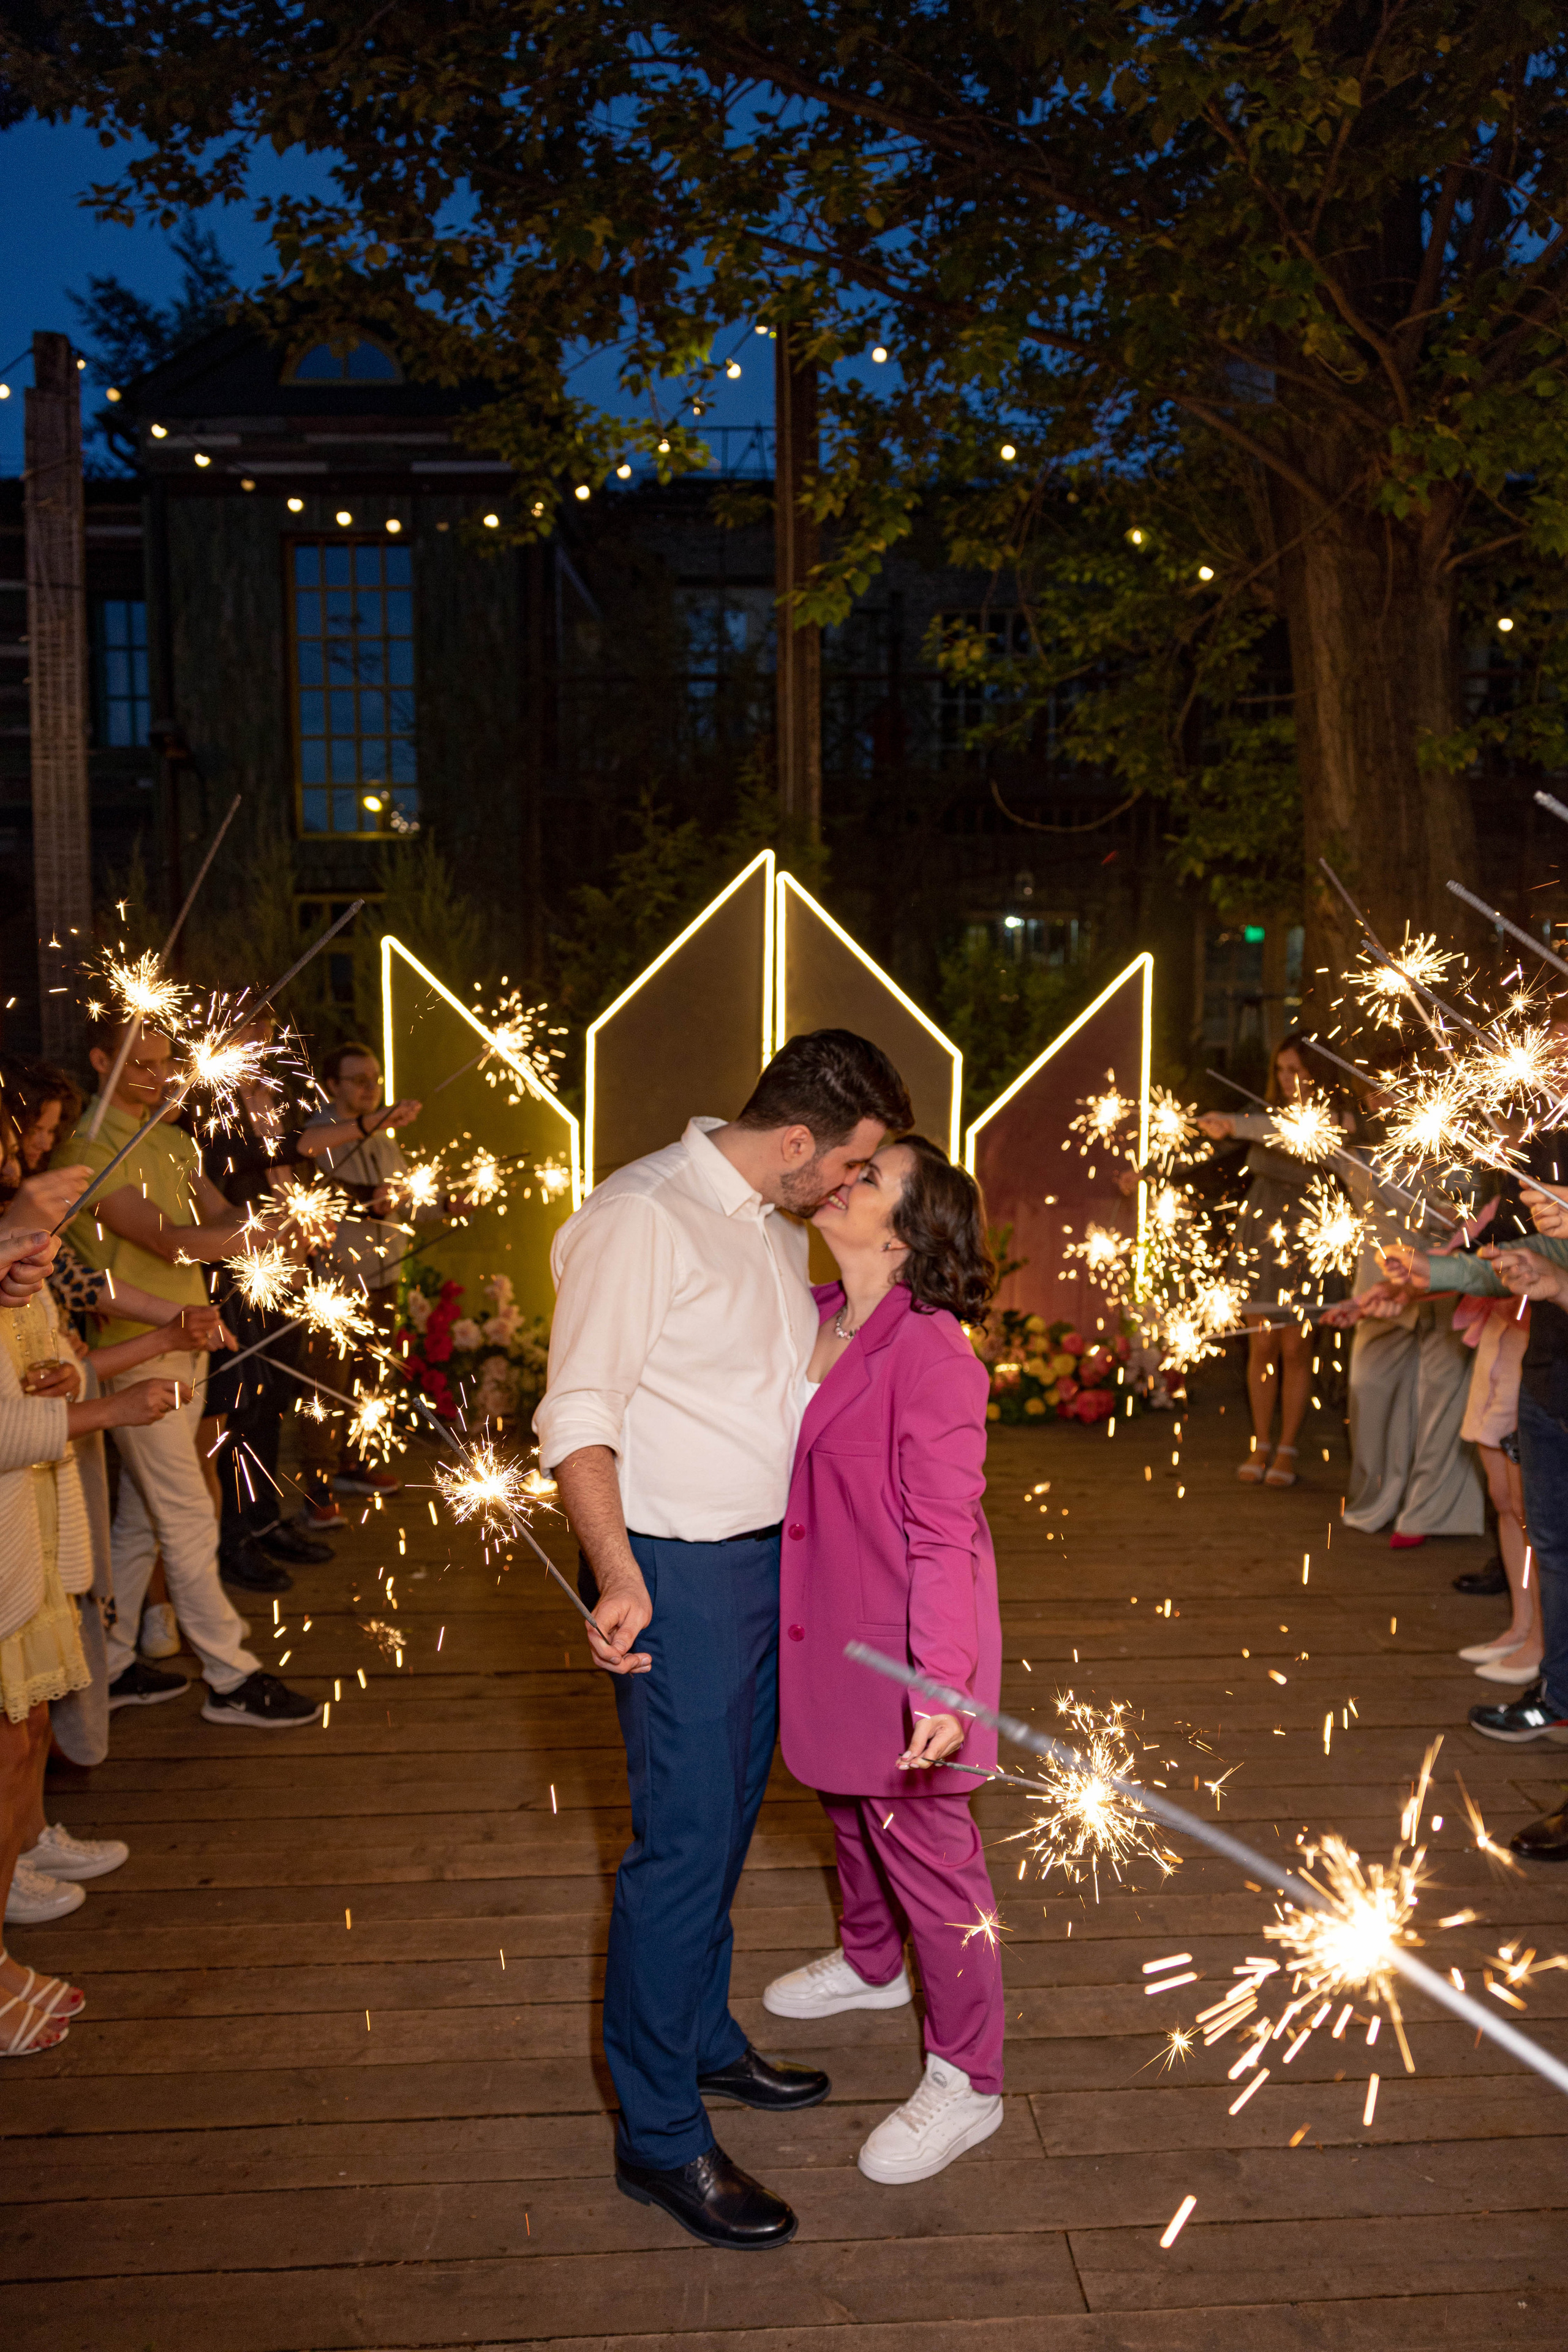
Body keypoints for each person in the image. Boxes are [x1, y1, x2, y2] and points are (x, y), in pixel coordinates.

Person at [535, 1030, 913, 2251]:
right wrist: (617, 1575)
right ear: (798, 1140)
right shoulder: (639, 1216)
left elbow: (770, 1391)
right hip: (677, 1578)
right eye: (849, 1166)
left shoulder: (766, 1221)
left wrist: (860, 1316)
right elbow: (577, 1408)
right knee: (681, 1846)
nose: (849, 1190)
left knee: (735, 1815)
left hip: (766, 1564)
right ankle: (656, 2134)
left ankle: (699, 2039)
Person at [763, 1134, 1005, 2183]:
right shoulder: (809, 1314)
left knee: (932, 1864)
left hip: (910, 1652)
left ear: (907, 1232)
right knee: (846, 1806)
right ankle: (872, 1963)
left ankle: (970, 2080)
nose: (842, 1179)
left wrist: (944, 1679)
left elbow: (944, 1530)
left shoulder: (934, 1350)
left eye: (870, 1177)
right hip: (820, 1627)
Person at [55, 1015, 322, 1731]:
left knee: (143, 1520)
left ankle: (107, 1668)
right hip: (134, 1350)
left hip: (191, 1340)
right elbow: (165, 1241)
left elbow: (222, 1216)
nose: (154, 1076)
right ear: (100, 1058)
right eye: (137, 1063)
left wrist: (277, 1228)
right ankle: (230, 1675)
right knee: (187, 1513)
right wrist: (249, 1235)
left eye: (162, 1063)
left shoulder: (171, 1140)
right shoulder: (87, 1145)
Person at [199, 1017, 420, 1584]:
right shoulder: (212, 1105)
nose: (267, 1041)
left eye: (270, 1031)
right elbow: (285, 1148)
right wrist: (371, 1122)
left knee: (274, 1399)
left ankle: (266, 1521)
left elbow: (283, 1171)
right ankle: (235, 1537)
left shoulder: (269, 1094)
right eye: (255, 1030)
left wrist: (311, 1214)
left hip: (286, 1272)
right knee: (243, 1407)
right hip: (236, 1275)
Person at [1197, 1034, 1348, 1488]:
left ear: (1316, 1074)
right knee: (1261, 1345)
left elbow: (1286, 1135)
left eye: (1296, 1071)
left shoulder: (1337, 1122)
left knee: (1296, 1347)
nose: (1287, 1080)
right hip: (1260, 1236)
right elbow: (1214, 1161)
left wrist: (1236, 1124)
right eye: (1281, 1070)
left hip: (1306, 1237)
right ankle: (1260, 1442)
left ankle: (1287, 1447)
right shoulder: (1262, 1115)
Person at [296, 1040, 422, 1517]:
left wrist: (447, 1205)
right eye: (359, 1080)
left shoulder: (386, 1139)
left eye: (375, 1079)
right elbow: (315, 1195)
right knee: (326, 1384)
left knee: (371, 1378)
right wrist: (367, 1198)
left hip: (383, 1278)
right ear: (332, 1085)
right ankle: (317, 1483)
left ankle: (356, 1462)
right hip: (336, 1282)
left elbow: (404, 1199)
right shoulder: (317, 1136)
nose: (371, 1088)